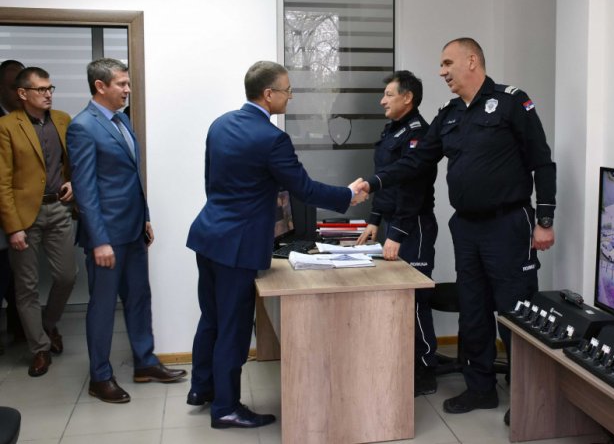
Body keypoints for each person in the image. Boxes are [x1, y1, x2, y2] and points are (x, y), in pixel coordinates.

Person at [362, 38, 556, 415]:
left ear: (471, 61)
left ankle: (528, 398)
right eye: (441, 65)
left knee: (515, 311)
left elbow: (542, 162)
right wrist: (374, 183)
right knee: (473, 310)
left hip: (508, 225)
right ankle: (480, 388)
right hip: (466, 228)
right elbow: (417, 161)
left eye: (447, 63)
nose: (441, 72)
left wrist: (545, 220)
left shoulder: (511, 102)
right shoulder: (449, 115)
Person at [186, 60, 368, 430]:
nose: (291, 96)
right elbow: (304, 189)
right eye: (287, 90)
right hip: (236, 247)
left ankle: (201, 388)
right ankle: (226, 408)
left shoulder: (220, 124)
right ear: (268, 94)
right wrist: (347, 195)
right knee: (234, 327)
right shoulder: (271, 138)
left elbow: (211, 182)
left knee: (212, 318)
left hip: (208, 235)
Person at [66, 58, 187, 403]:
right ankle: (100, 377)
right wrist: (100, 241)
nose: (128, 90)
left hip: (133, 230)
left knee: (139, 298)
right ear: (100, 86)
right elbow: (85, 190)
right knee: (103, 307)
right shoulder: (82, 127)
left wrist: (145, 217)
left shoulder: (121, 121)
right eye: (121, 84)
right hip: (107, 237)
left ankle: (145, 363)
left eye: (128, 83)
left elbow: (132, 177)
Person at [356, 70, 439, 396]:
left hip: (412, 224)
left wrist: (398, 232)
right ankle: (403, 361)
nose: (382, 101)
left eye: (389, 95)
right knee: (398, 298)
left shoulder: (419, 134)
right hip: (394, 222)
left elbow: (412, 187)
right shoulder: (394, 130)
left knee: (415, 299)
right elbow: (385, 178)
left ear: (407, 97)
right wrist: (375, 219)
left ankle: (425, 368)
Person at [0, 67, 77, 376]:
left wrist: (72, 182)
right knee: (26, 287)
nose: (48, 94)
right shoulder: (6, 126)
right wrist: (13, 227)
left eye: (50, 88)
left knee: (67, 276)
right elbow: (2, 182)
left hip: (58, 208)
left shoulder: (62, 120)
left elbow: (73, 162)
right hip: (23, 216)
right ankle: (40, 348)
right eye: (41, 89)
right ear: (23, 93)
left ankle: (48, 324)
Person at [0, 60, 27, 352]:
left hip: (26, 216)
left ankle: (23, 331)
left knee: (19, 281)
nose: (19, 92)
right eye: (12, 87)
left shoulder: (36, 119)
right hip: (5, 214)